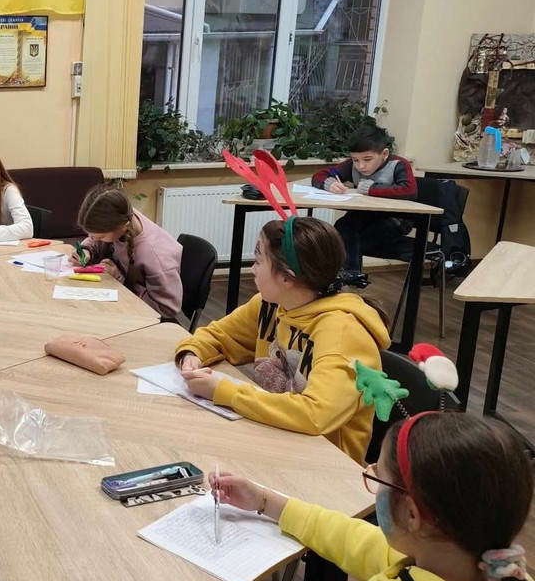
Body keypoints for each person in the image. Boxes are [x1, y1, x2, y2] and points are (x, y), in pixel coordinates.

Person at [198, 411, 535, 581]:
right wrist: (264, 500)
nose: (372, 481)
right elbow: (352, 538)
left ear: (412, 515)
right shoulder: (500, 577)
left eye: (378, 478)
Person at [174, 217, 388, 461]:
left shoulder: (342, 333)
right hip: (271, 435)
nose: (253, 269)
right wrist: (192, 353)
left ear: (287, 278)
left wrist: (225, 392)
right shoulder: (273, 304)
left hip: (320, 463)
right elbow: (218, 335)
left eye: (258, 261)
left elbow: (314, 415)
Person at [311, 123, 416, 288]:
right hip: (365, 216)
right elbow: (320, 175)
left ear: (384, 154)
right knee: (342, 227)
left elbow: (409, 190)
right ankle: (351, 277)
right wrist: (328, 183)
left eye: (367, 159)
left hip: (395, 219)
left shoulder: (399, 165)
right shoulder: (352, 165)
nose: (360, 166)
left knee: (350, 240)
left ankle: (351, 279)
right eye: (355, 160)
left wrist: (372, 189)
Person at [70, 185, 182, 319]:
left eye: (100, 237)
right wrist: (86, 250)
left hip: (147, 319)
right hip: (122, 302)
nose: (93, 238)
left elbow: (166, 310)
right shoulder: (122, 216)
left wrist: (119, 279)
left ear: (122, 227)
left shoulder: (156, 255)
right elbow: (95, 239)